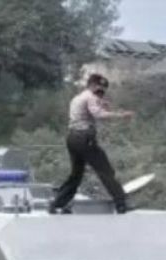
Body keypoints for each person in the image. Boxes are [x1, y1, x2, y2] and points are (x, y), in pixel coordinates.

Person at [52, 73, 135, 214]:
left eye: (103, 90)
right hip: (85, 138)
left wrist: (102, 105)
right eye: (99, 89)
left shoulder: (78, 98)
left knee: (76, 174)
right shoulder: (91, 97)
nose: (101, 92)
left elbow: (90, 110)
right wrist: (121, 116)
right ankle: (121, 204)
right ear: (92, 85)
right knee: (105, 170)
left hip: (72, 138)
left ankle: (57, 204)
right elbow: (98, 114)